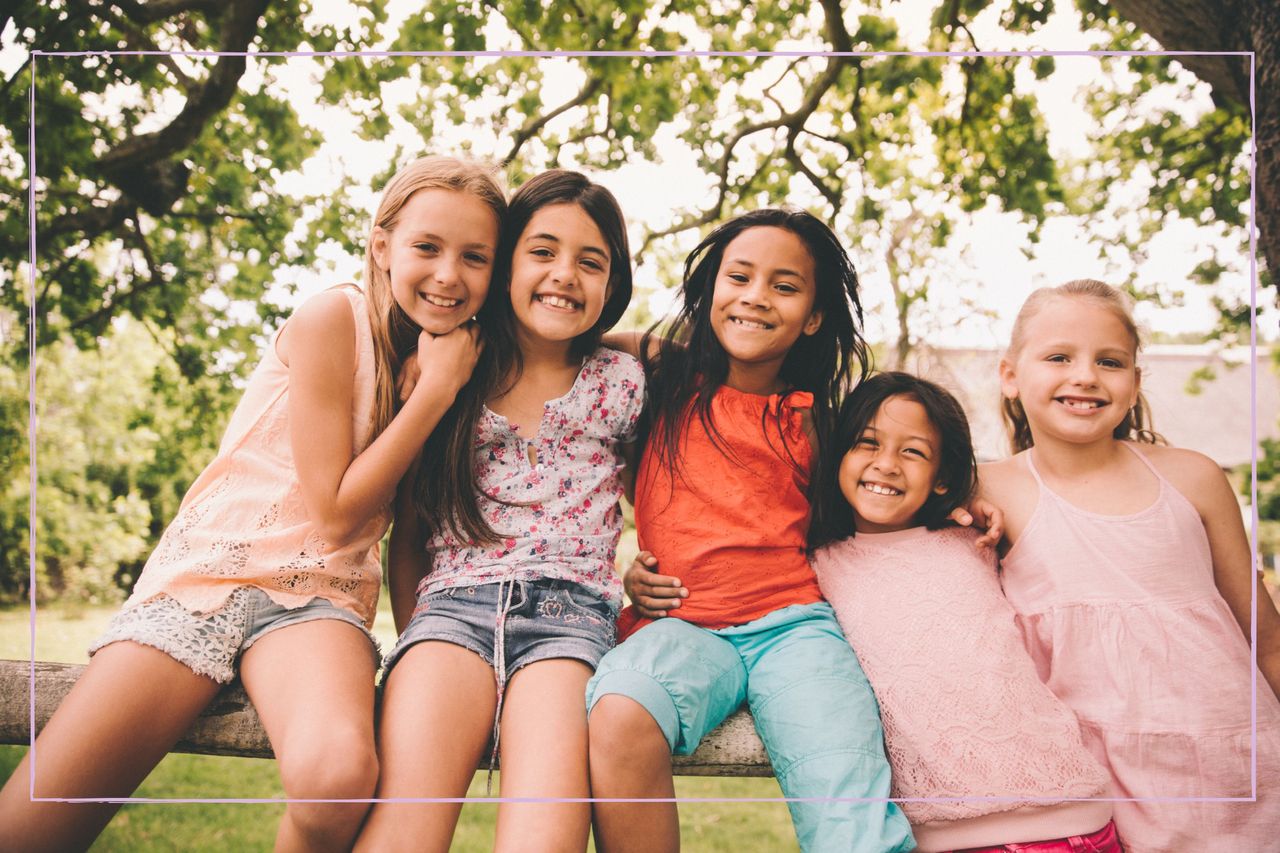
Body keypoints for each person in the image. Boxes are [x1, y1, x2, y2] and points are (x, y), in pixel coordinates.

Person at [0, 155, 505, 853]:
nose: (449, 273)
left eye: (474, 257)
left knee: (337, 776)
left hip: (318, 598)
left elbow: (404, 528)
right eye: (427, 246)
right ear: (382, 246)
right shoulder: (335, 318)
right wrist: (430, 396)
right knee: (37, 820)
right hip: (204, 577)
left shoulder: (453, 366)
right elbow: (333, 508)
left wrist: (418, 647)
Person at [586, 208, 915, 853]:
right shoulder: (657, 375)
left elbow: (888, 482)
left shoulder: (821, 418)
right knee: (621, 708)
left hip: (793, 626)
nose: (756, 297)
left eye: (785, 287)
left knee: (843, 774)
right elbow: (568, 352)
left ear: (814, 316)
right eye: (738, 277)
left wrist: (973, 500)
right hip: (679, 623)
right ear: (711, 290)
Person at [353, 170, 643, 853]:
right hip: (452, 608)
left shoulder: (626, 380)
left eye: (590, 261)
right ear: (507, 262)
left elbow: (685, 471)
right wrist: (415, 635)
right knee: (402, 830)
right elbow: (410, 531)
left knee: (544, 836)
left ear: (613, 283)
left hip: (570, 621)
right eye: (541, 251)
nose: (564, 274)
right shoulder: (448, 368)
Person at [982, 278, 1280, 851]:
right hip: (1101, 786)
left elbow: (1264, 637)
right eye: (1059, 356)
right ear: (1011, 376)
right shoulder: (989, 491)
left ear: (1134, 382)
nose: (1086, 375)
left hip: (1236, 760)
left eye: (1110, 361)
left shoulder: (1194, 477)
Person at [808, 371, 1117, 853]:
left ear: (943, 478)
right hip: (945, 834)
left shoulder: (974, 538)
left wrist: (973, 498)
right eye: (867, 443)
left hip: (1070, 818)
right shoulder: (818, 563)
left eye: (912, 451)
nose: (886, 464)